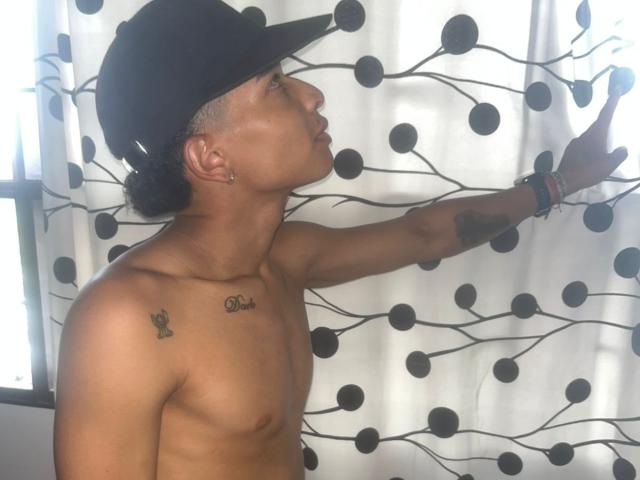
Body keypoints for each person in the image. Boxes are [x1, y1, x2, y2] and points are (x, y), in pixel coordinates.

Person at [52, 0, 628, 478]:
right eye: (276, 85)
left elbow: (426, 233)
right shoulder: (125, 319)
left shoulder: (282, 258)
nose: (312, 95)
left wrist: (562, 182)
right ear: (210, 157)